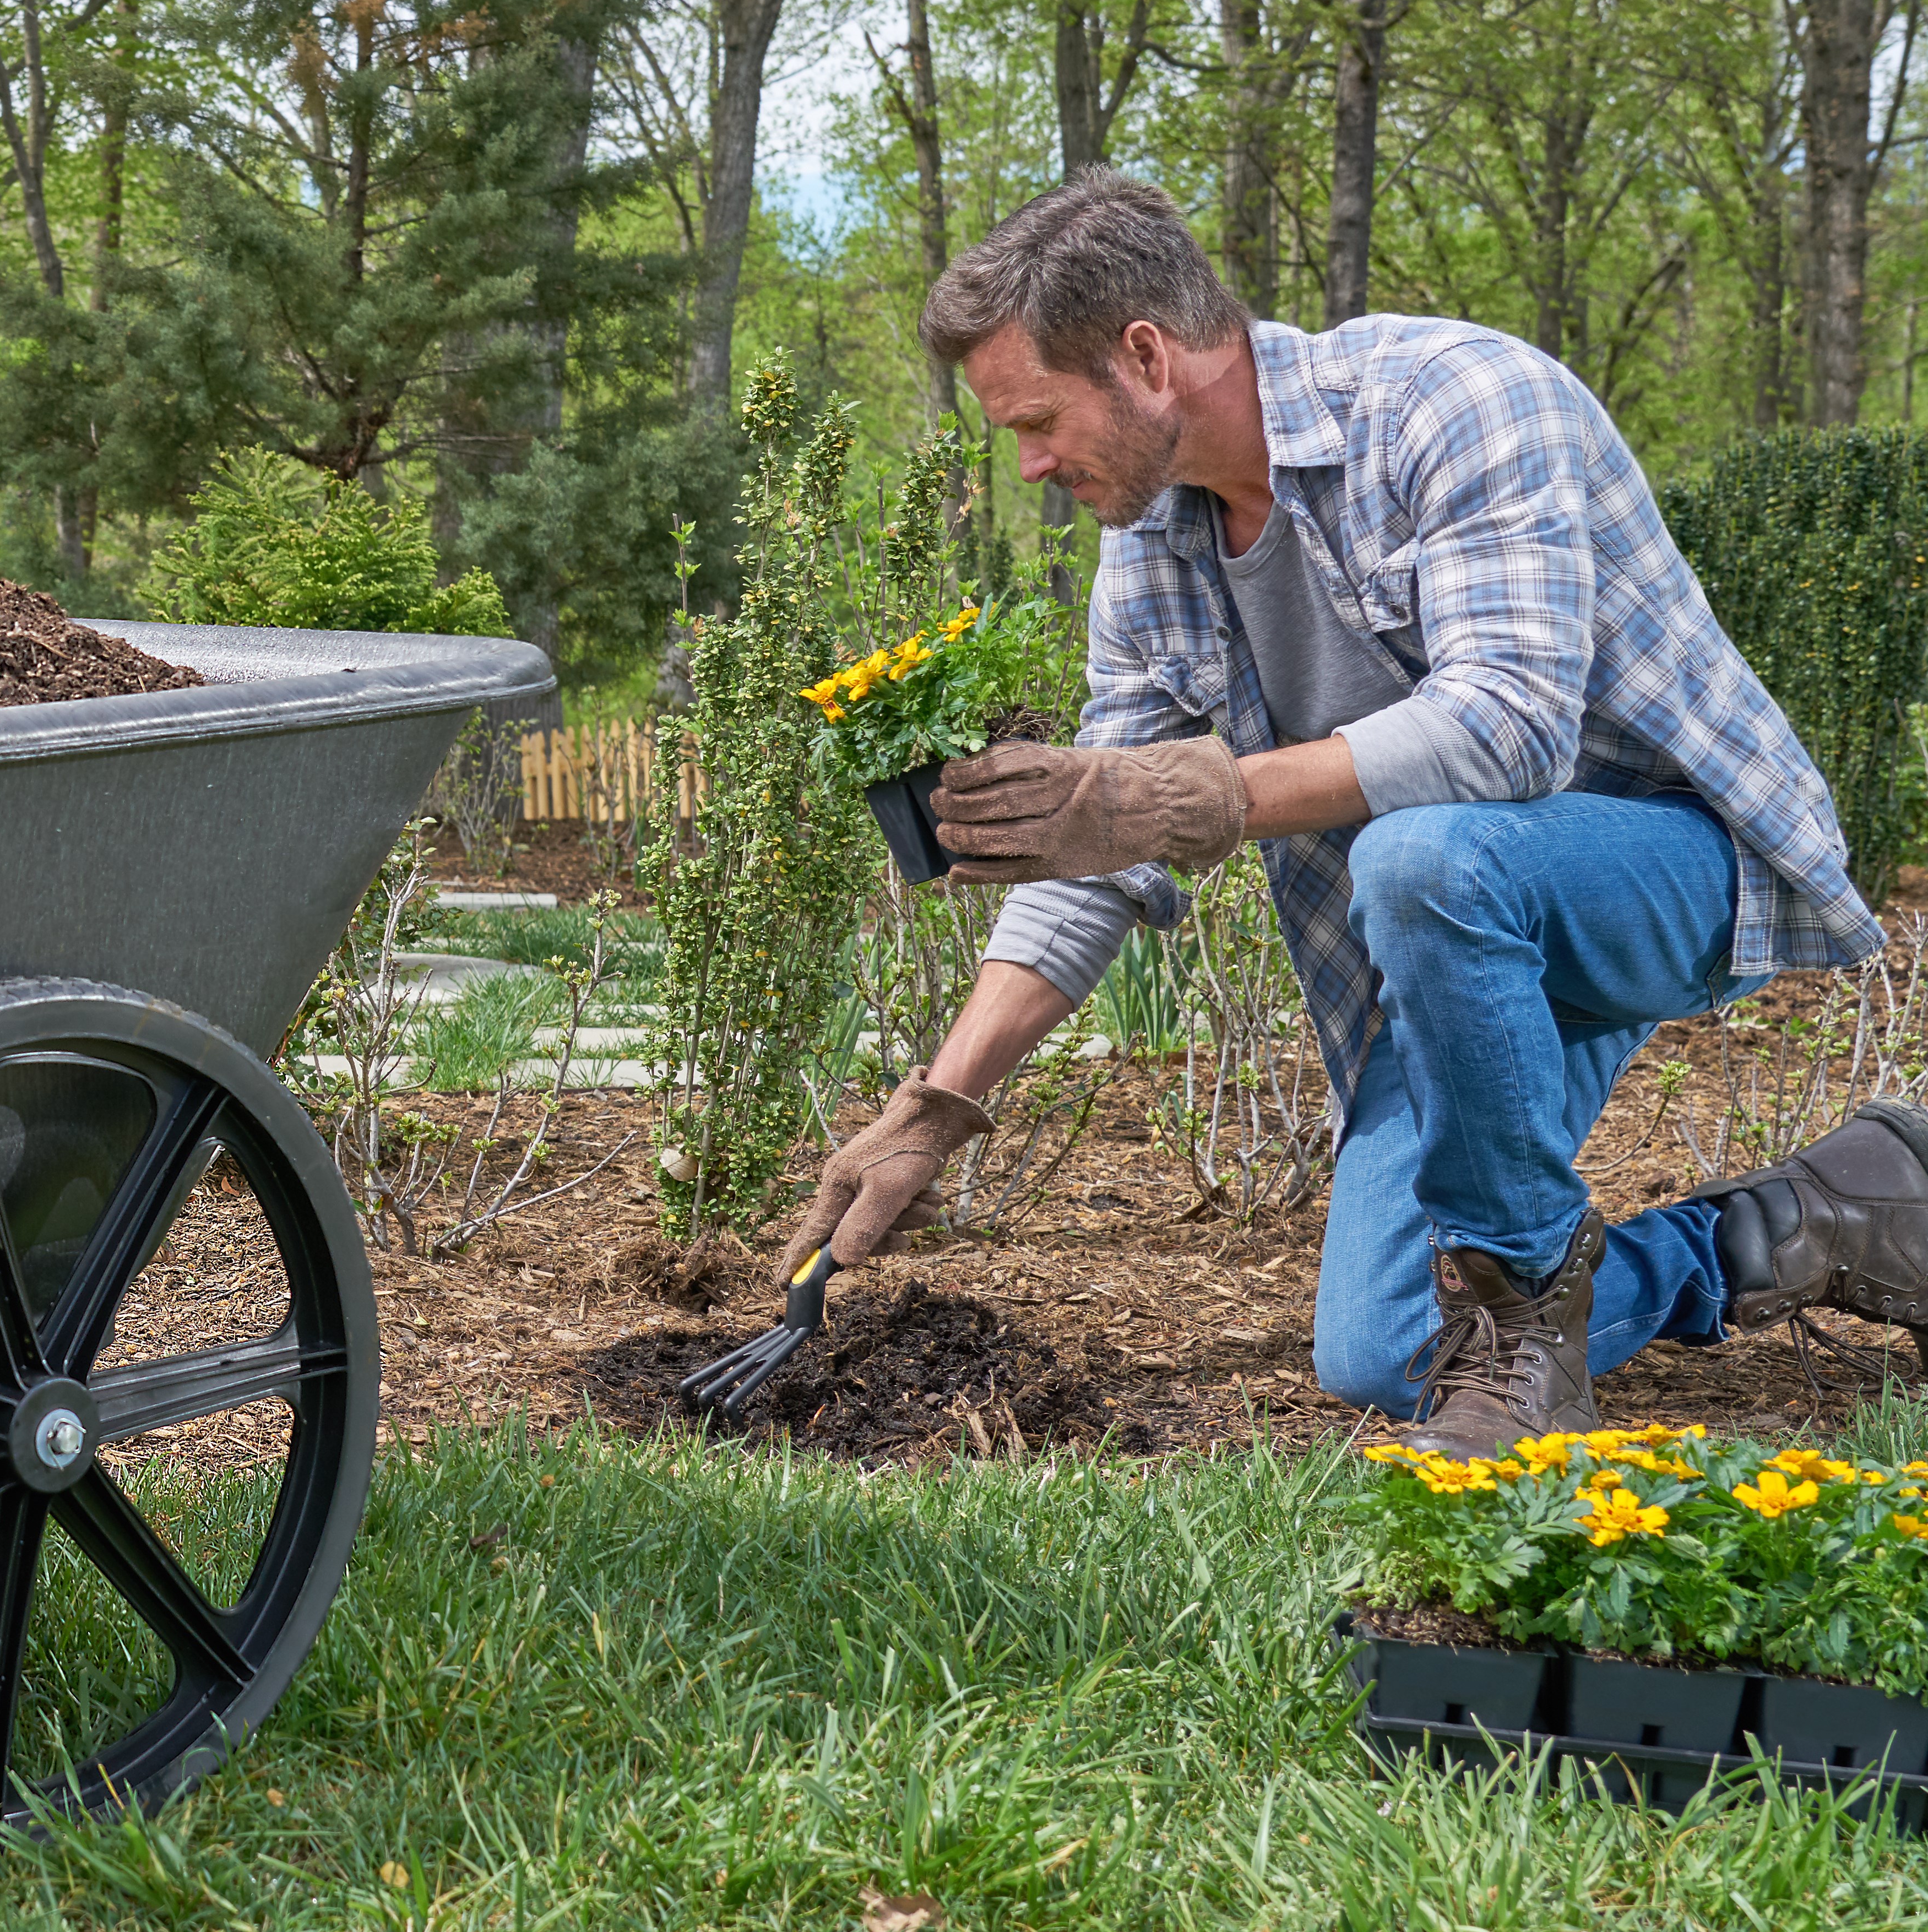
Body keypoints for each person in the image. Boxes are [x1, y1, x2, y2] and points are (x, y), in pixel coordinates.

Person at [789, 171, 1928, 1456]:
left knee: (1423, 856)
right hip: (1456, 937)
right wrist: (939, 1106)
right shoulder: (1152, 545)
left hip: (1665, 862)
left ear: (1146, 357)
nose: (1033, 464)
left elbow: (1507, 727)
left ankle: (1520, 1319)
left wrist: (1209, 793)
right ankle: (1820, 1218)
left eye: (1039, 420)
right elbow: (1100, 854)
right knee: (1388, 1353)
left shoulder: (1456, 400)